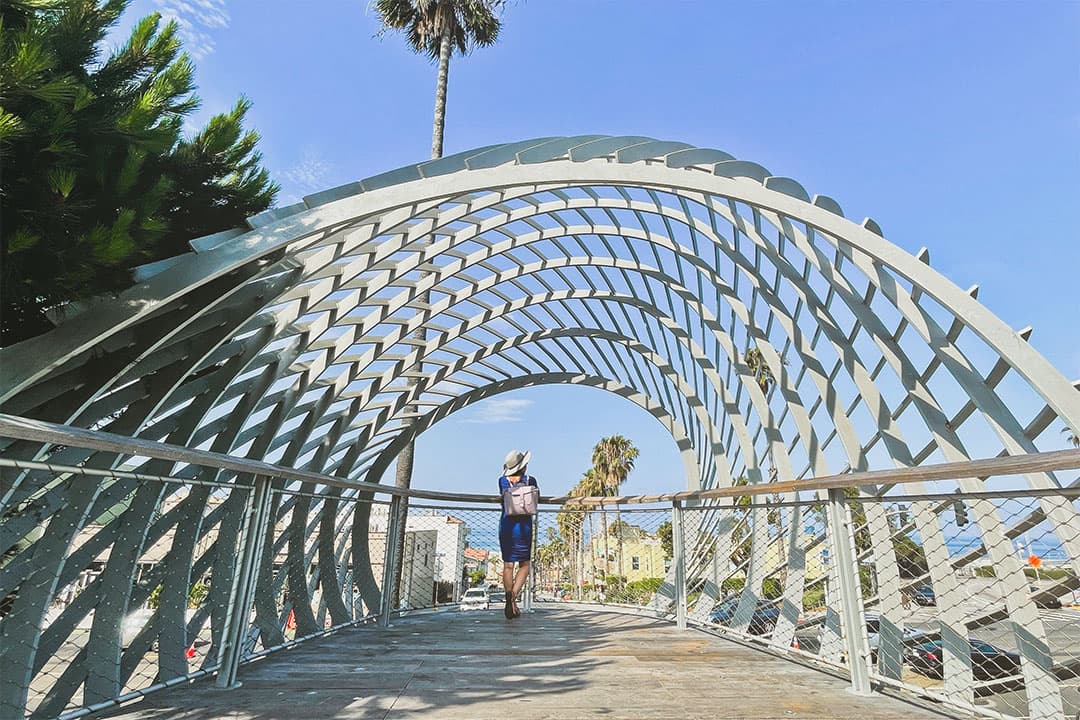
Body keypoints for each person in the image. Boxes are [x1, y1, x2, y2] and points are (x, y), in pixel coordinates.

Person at [498, 449, 538, 619]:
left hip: (507, 524)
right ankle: (513, 596)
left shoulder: (502, 480)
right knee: (525, 564)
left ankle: (509, 599)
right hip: (524, 525)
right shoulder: (530, 480)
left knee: (508, 565)